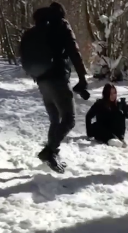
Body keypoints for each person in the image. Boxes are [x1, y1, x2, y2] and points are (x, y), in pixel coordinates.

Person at [19, 2, 90, 173]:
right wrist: (82, 78)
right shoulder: (61, 26)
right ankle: (49, 152)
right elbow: (75, 53)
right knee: (69, 119)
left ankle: (52, 154)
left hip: (42, 81)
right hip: (58, 79)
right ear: (61, 14)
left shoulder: (36, 29)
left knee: (55, 120)